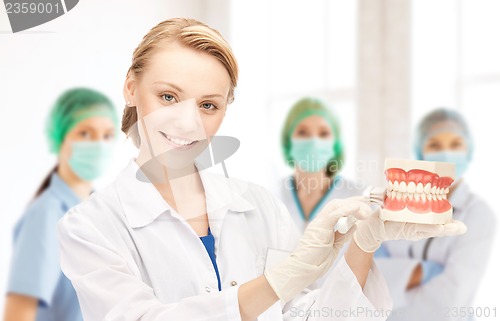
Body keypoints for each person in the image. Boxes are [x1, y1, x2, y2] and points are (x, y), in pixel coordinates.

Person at [56, 18, 465, 321]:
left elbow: (306, 315)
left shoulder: (257, 204)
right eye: (168, 96)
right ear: (131, 88)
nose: (187, 122)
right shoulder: (89, 228)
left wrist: (362, 245)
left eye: (208, 105)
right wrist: (280, 278)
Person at [3, 88, 118, 321]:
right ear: (60, 137)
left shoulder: (101, 211)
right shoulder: (47, 214)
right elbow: (18, 313)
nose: (98, 145)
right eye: (85, 134)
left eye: (107, 135)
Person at [374, 108, 496, 321]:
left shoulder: (478, 214)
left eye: (456, 145)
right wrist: (426, 270)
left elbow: (450, 299)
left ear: (468, 151)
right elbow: (371, 278)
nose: (447, 153)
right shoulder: (395, 204)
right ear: (421, 152)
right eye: (435, 145)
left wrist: (399, 281)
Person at [277, 98, 364, 232]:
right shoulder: (274, 194)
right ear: (288, 141)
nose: (314, 142)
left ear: (335, 144)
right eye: (302, 132)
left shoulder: (356, 197)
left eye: (323, 133)